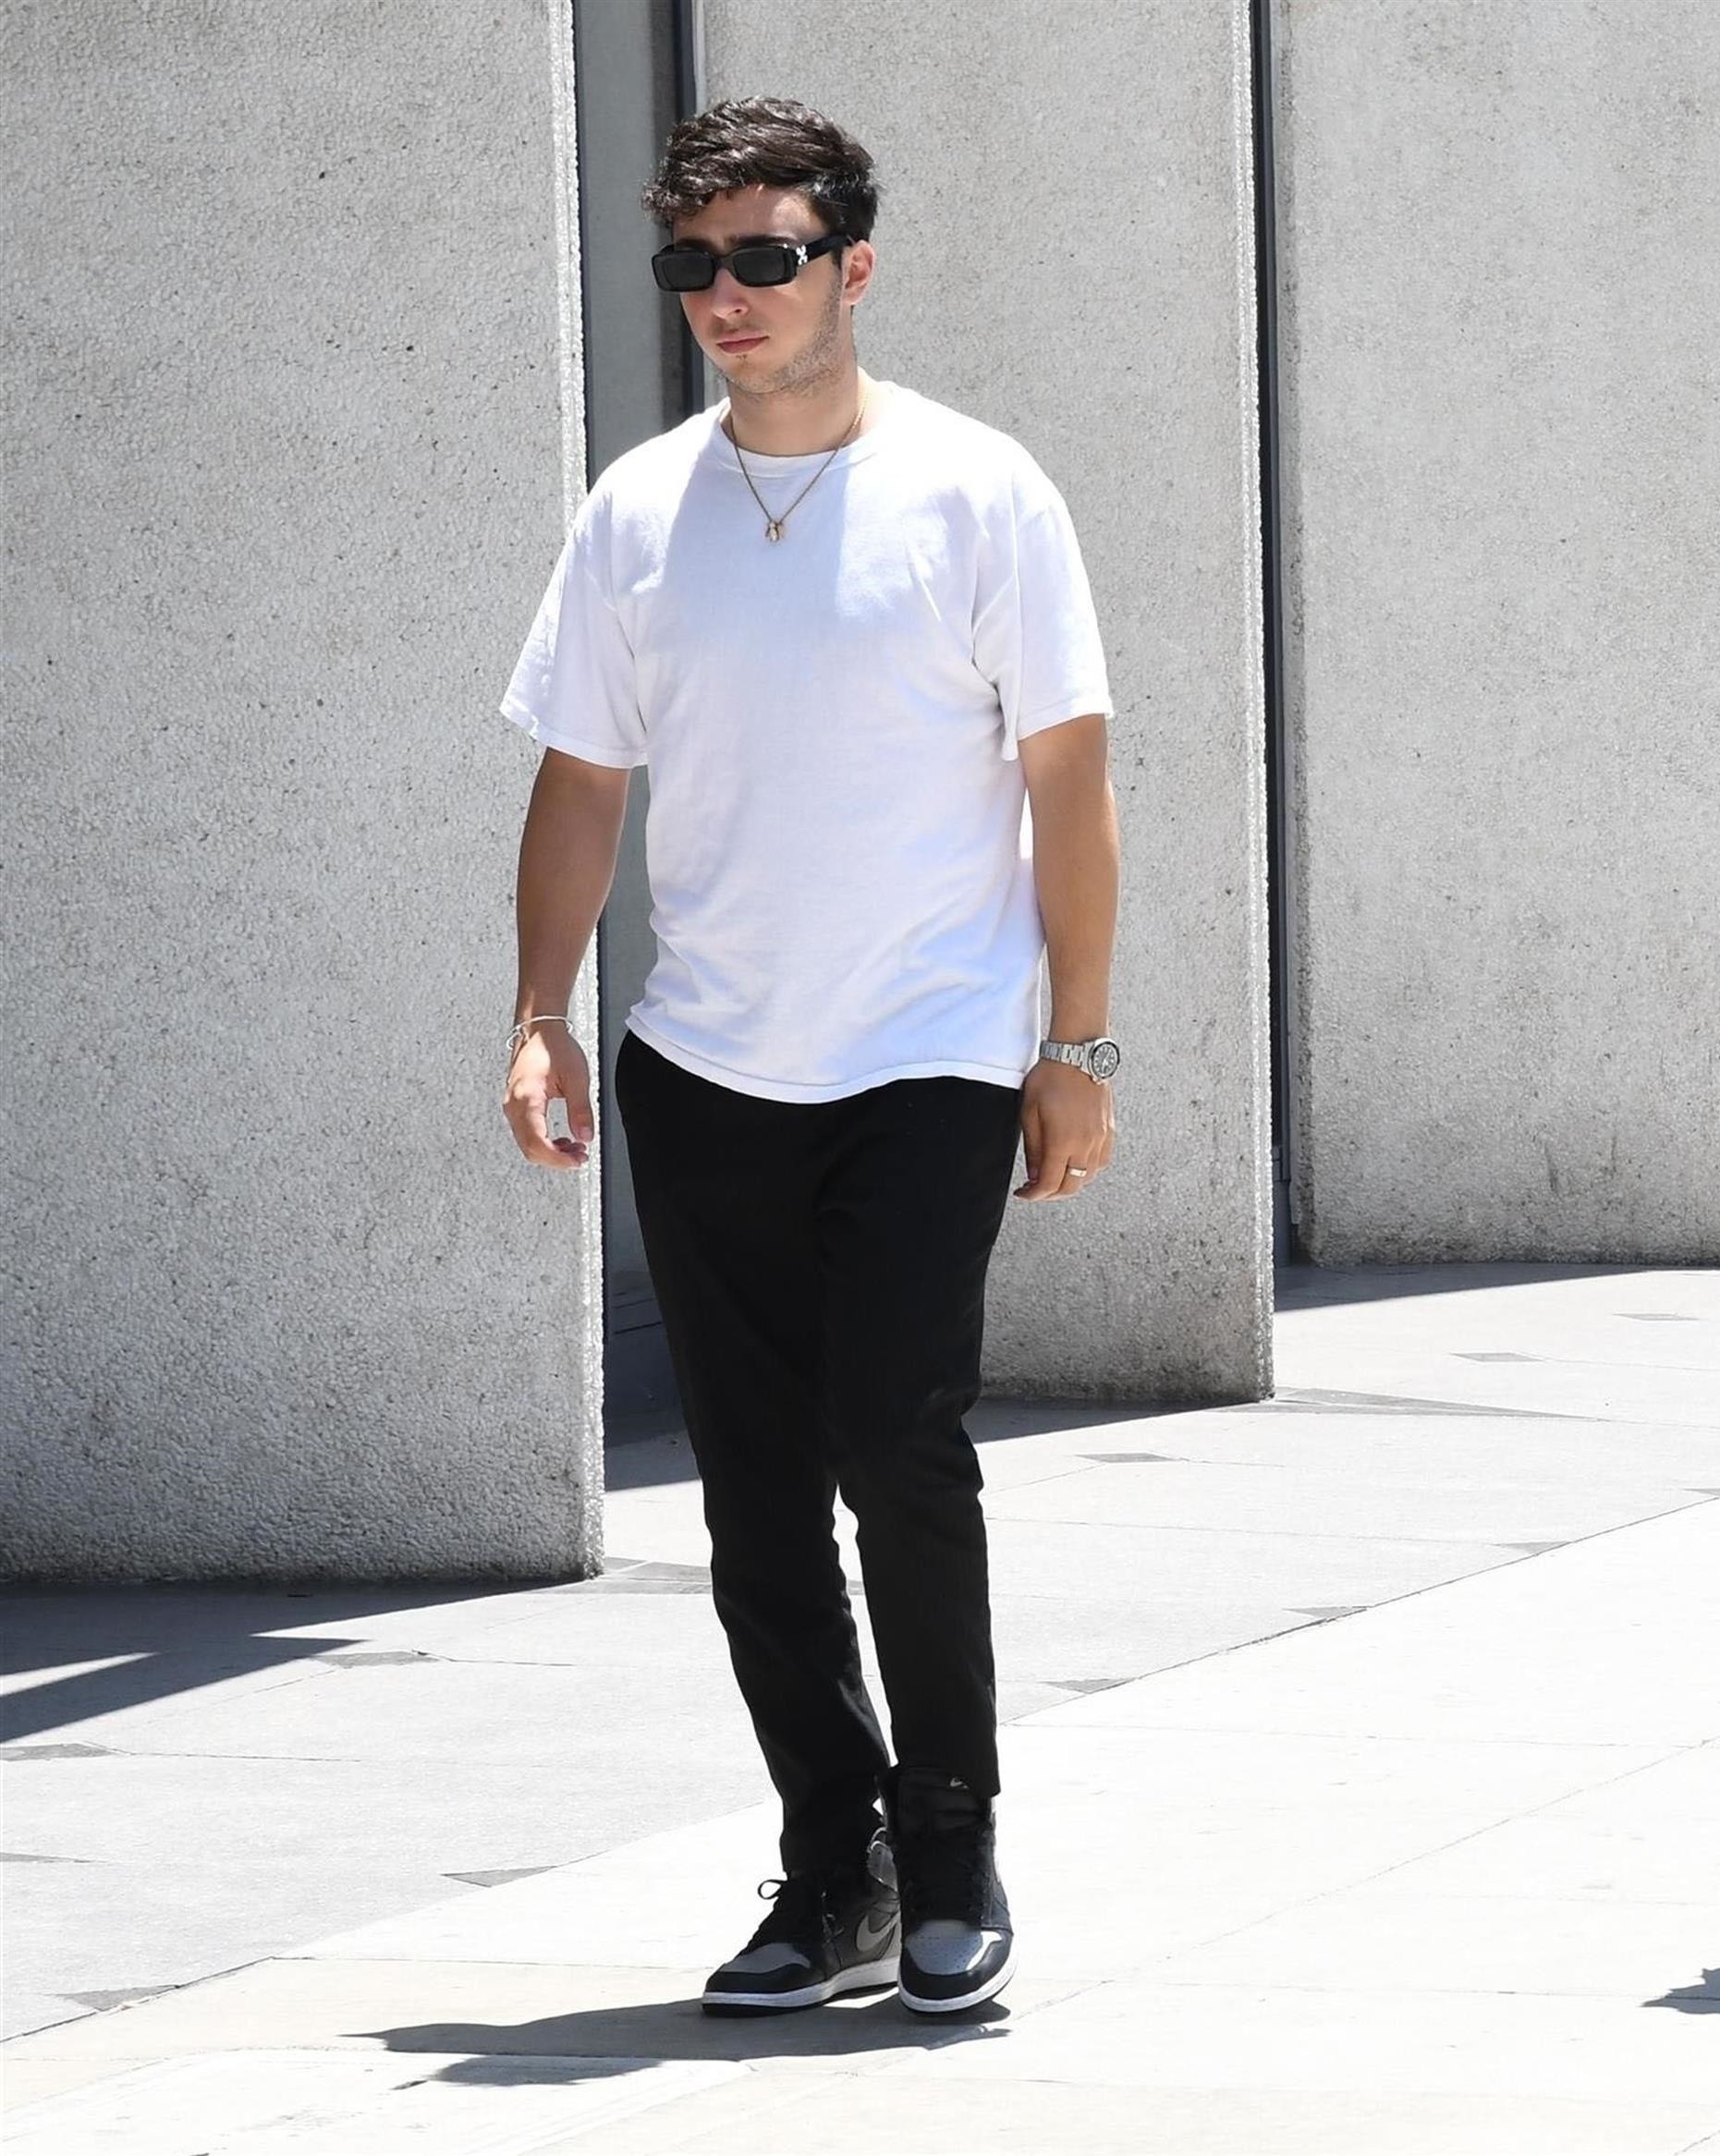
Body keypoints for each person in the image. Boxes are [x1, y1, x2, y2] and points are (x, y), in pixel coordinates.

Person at [497, 99, 1121, 2017]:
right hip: (707, 1066)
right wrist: (539, 1013)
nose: (726, 296)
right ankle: (830, 1867)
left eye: (763, 258)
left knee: (897, 1442)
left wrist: (1077, 1040)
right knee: (754, 1491)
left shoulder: (979, 491)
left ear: (853, 266)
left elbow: (1070, 782)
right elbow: (581, 781)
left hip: (932, 1053)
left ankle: (951, 1842)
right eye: (692, 265)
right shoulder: (637, 511)